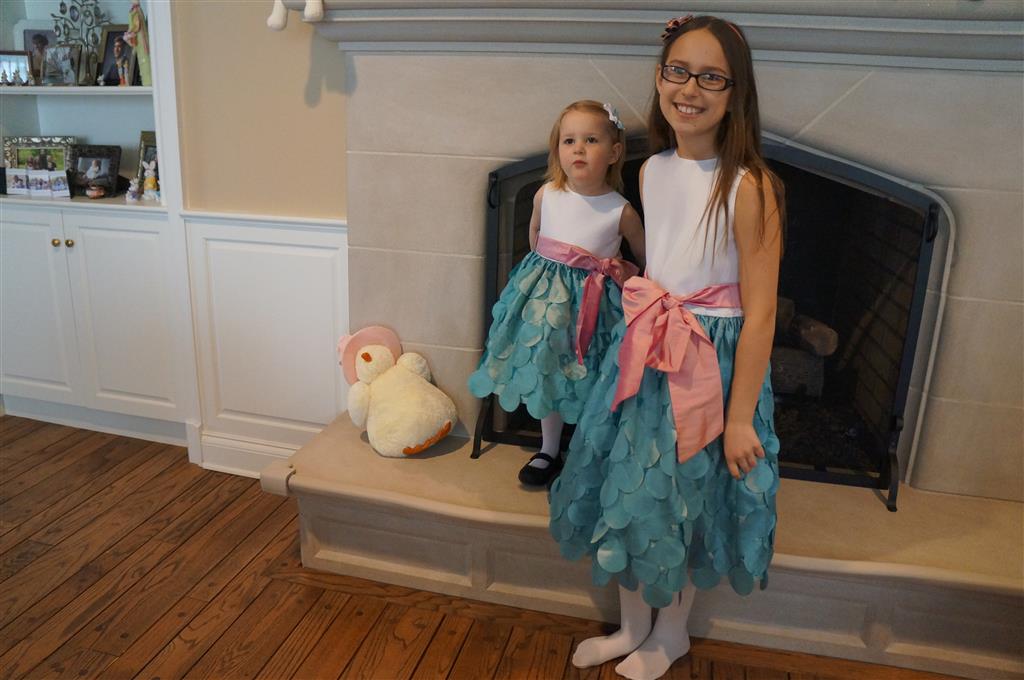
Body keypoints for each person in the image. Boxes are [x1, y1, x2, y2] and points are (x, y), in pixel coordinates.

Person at [548, 15, 785, 680]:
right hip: (647, 347)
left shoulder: (751, 186)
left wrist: (739, 417)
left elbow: (763, 311)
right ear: (659, 79)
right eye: (679, 71)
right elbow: (664, 261)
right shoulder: (651, 169)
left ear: (736, 93)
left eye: (712, 77)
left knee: (682, 496)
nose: (691, 89)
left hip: (709, 362)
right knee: (629, 486)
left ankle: (671, 632)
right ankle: (631, 626)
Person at [468, 99, 645, 487]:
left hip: (596, 311)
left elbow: (644, 255)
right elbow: (536, 237)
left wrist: (616, 273)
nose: (578, 148)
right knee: (548, 371)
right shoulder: (546, 194)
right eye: (569, 140)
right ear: (558, 150)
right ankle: (549, 448)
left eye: (591, 140)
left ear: (614, 152)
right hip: (544, 310)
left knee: (590, 375)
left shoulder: (620, 211)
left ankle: (587, 447)